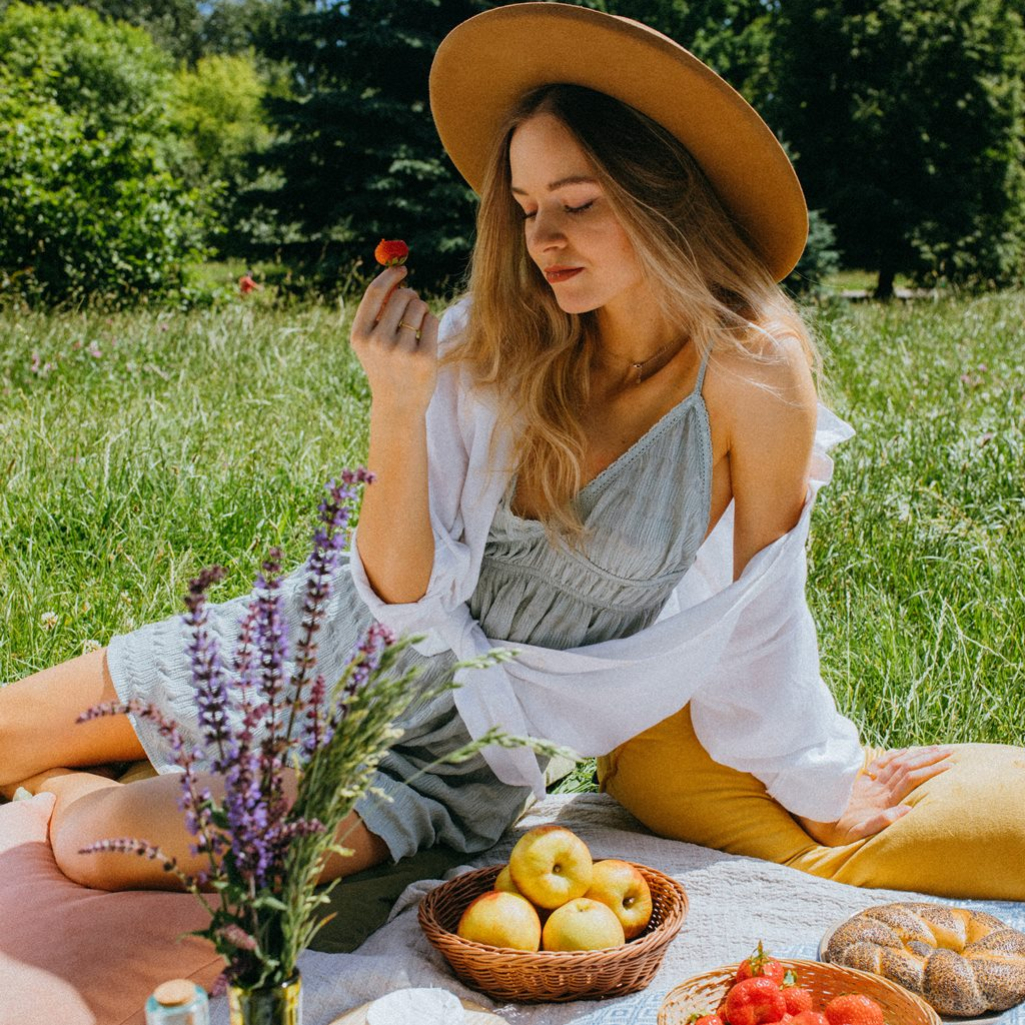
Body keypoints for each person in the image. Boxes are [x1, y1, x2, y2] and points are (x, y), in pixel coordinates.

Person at [1, 3, 1021, 900]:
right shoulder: (482, 345)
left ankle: (114, 784)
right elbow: (396, 596)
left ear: (662, 195)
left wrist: (821, 782)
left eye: (577, 201)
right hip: (299, 647)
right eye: (526, 208)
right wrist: (396, 406)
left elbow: (761, 610)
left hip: (432, 757)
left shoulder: (752, 378)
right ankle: (135, 751)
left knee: (103, 838)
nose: (544, 239)